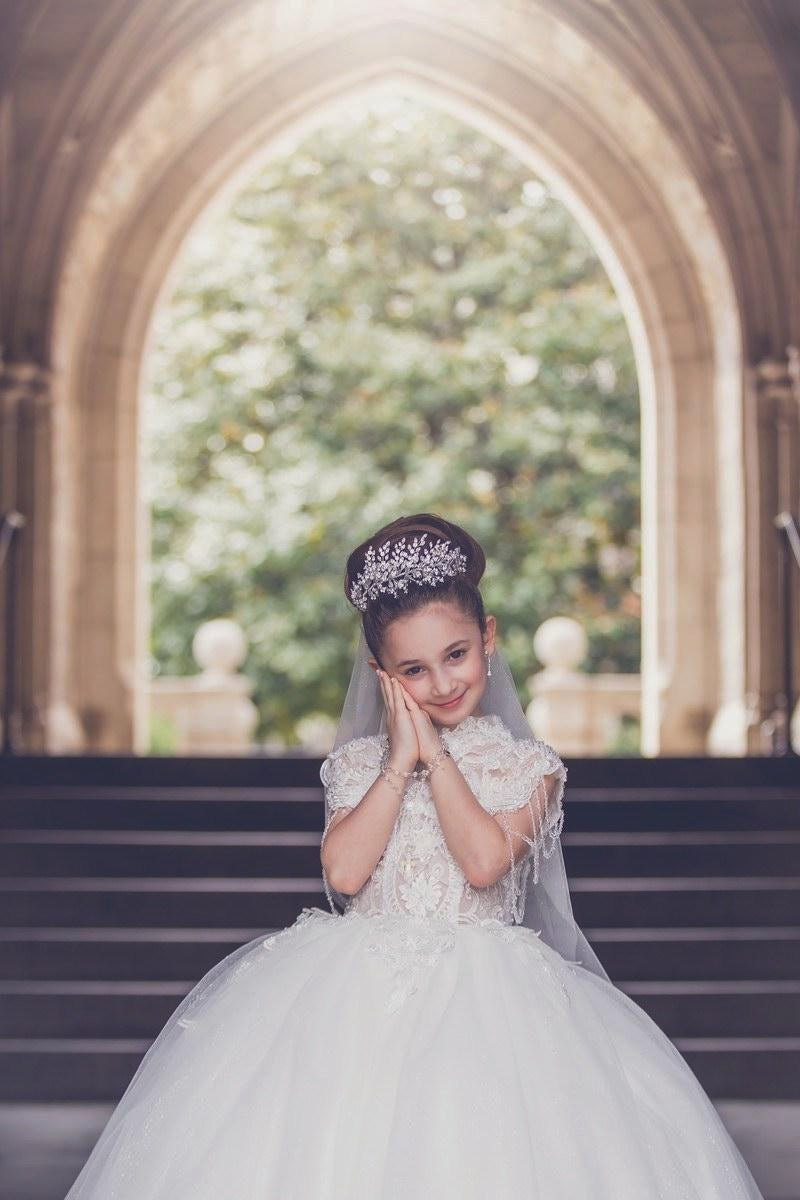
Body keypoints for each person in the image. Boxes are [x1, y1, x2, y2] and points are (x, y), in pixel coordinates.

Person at [64, 512, 765, 1199]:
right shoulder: (361, 765)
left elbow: (485, 862)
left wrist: (438, 757)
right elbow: (343, 873)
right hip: (350, 998)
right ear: (383, 674)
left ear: (487, 638)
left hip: (491, 1005)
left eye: (456, 654)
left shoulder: (529, 768)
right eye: (415, 669)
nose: (443, 683)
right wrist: (400, 764)